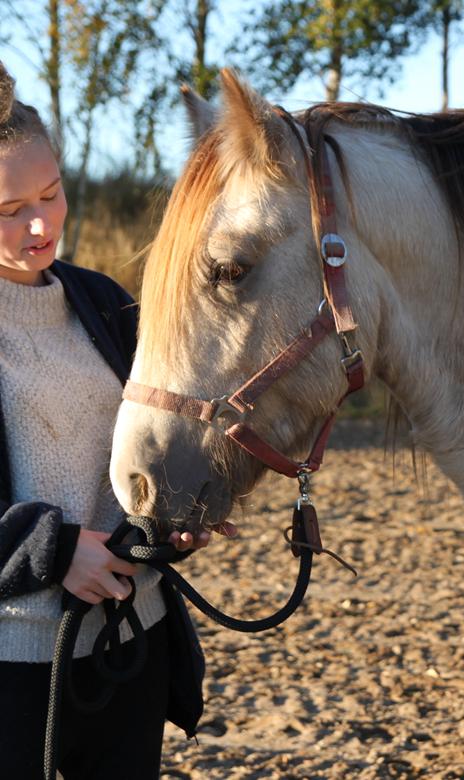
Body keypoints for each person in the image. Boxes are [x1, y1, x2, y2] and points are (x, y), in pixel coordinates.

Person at [0, 61, 233, 778]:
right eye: (9, 208)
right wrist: (54, 550)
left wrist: (180, 512)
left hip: (132, 642)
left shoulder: (104, 301)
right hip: (15, 669)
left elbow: (157, 435)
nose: (42, 223)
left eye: (53, 192)